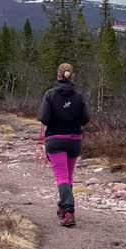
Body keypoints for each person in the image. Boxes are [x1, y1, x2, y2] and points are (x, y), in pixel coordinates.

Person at [38, 63, 90, 227]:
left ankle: (68, 211)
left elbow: (44, 118)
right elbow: (85, 119)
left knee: (62, 177)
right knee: (68, 176)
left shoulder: (50, 95)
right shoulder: (78, 96)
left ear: (58, 75)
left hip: (55, 140)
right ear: (71, 76)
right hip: (74, 141)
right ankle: (63, 206)